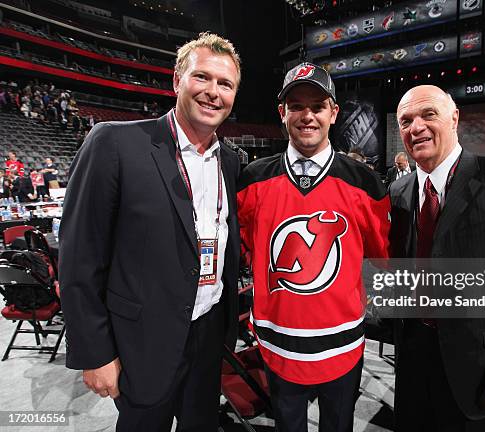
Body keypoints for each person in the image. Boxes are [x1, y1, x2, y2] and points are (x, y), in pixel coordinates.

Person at [59, 32, 242, 432]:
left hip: (208, 333)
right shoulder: (114, 142)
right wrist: (94, 352)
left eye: (225, 84)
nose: (213, 92)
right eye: (202, 78)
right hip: (142, 340)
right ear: (177, 80)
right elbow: (78, 258)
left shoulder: (230, 161)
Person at [237, 62, 390, 432]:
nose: (307, 116)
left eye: (317, 106)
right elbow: (247, 250)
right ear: (282, 112)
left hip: (343, 344)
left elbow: (380, 257)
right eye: (297, 106)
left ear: (334, 113)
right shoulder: (251, 180)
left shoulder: (366, 183)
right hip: (278, 345)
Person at [390, 85, 485, 431]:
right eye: (406, 121)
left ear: (454, 118)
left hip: (478, 363)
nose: (416, 127)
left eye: (428, 114)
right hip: (413, 354)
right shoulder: (399, 191)